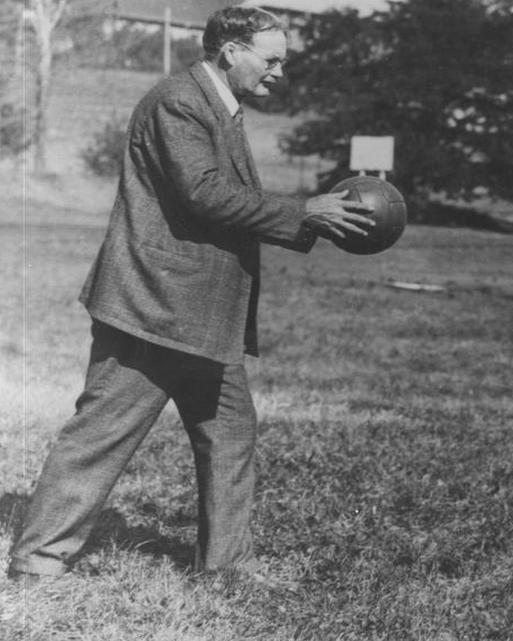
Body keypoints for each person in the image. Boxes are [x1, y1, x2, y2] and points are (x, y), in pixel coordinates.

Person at [7, 6, 373, 582]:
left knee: (230, 434)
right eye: (271, 58)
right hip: (154, 307)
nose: (280, 71)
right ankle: (37, 563)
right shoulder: (178, 101)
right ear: (231, 49)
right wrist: (303, 211)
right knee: (101, 435)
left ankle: (224, 566)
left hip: (201, 314)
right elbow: (204, 193)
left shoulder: (222, 106)